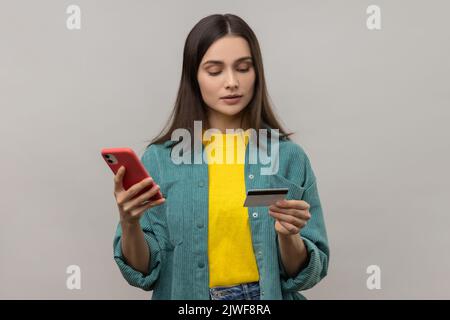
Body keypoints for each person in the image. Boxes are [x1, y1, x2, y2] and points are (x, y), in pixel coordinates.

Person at [112, 13, 329, 300]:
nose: (231, 82)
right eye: (215, 71)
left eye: (243, 68)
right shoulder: (159, 161)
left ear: (257, 73)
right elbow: (144, 271)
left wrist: (289, 235)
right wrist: (129, 224)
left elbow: (307, 273)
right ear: (194, 77)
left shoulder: (288, 157)